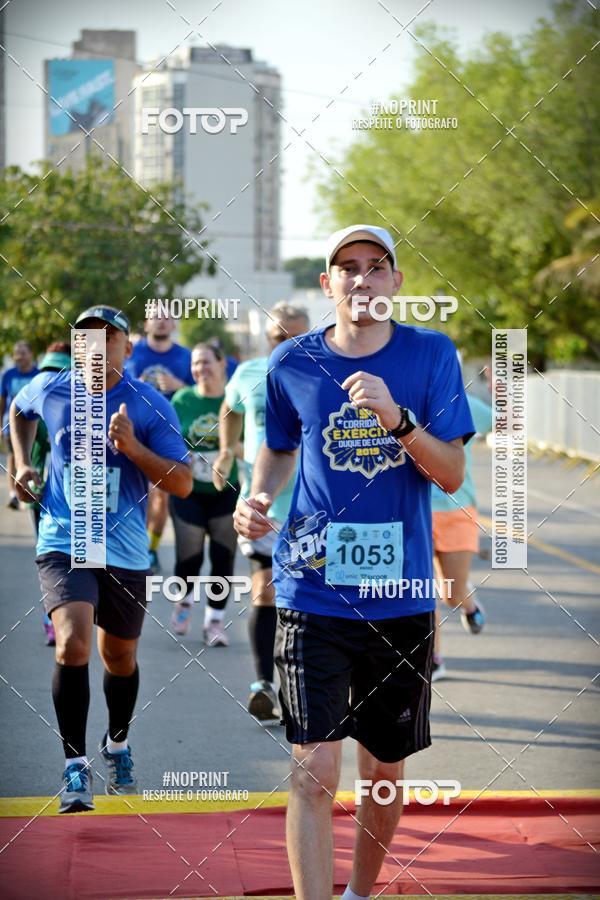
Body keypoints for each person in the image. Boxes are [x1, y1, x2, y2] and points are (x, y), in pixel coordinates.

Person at [234, 224, 474, 900]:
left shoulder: (431, 357)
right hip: (312, 591)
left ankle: (359, 894)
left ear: (396, 282)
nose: (362, 279)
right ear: (328, 284)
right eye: (348, 268)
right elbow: (281, 446)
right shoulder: (292, 362)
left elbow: (452, 473)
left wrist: (399, 421)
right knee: (312, 769)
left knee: (384, 774)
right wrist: (257, 495)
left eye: (376, 267)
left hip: (398, 598)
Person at [10, 305, 192, 813]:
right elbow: (18, 412)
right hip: (65, 539)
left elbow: (181, 482)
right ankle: (74, 767)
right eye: (85, 338)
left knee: (120, 657)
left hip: (126, 550)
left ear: (127, 350)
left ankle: (117, 742)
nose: (96, 347)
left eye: (108, 339)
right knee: (72, 643)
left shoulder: (149, 404)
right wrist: (21, 463)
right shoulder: (51, 388)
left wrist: (132, 447)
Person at [213, 302, 310, 720]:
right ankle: (263, 685)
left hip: (312, 505)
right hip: (261, 501)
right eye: (277, 338)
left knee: (306, 599)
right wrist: (224, 451)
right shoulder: (249, 373)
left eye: (296, 338)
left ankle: (300, 689)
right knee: (265, 588)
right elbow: (228, 410)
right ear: (265, 339)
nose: (286, 345)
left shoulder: (326, 373)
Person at [169, 343, 240, 646]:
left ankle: (214, 621)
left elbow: (250, 443)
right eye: (195, 364)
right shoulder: (182, 399)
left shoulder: (236, 399)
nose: (200, 369)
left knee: (222, 557)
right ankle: (184, 601)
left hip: (226, 490)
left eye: (206, 362)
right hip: (188, 490)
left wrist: (225, 452)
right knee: (190, 556)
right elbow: (168, 441)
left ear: (223, 363)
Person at [430, 378, 493, 681]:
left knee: (451, 592)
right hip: (413, 510)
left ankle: (468, 605)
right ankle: (433, 659)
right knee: (421, 590)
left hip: (457, 507)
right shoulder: (399, 402)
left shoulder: (465, 403)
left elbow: (502, 424)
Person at [126, 308, 194, 572]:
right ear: (146, 323)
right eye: (156, 316)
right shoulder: (134, 351)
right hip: (132, 429)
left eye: (167, 317)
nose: (162, 321)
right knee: (130, 491)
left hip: (166, 434)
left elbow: (200, 392)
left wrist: (181, 386)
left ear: (174, 324)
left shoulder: (185, 357)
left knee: (160, 496)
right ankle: (129, 543)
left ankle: (150, 549)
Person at [26, 341, 72, 647]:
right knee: (50, 554)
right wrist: (21, 468)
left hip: (85, 493)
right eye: (46, 371)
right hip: (43, 491)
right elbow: (14, 428)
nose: (49, 378)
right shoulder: (36, 395)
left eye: (58, 371)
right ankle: (51, 617)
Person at [1, 340, 39, 509]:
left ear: (31, 354)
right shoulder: (8, 375)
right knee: (13, 457)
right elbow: (2, 401)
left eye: (23, 353)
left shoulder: (38, 375)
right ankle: (13, 494)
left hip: (35, 424)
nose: (19, 357)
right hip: (11, 424)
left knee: (31, 455)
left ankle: (31, 489)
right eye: (17, 353)